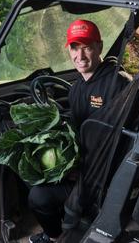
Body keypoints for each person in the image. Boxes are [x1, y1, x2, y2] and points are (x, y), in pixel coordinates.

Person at [28, 19, 130, 243]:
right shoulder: (76, 90)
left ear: (100, 47)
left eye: (86, 47)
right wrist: (68, 164)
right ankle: (57, 234)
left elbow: (119, 143)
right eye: (74, 48)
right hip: (83, 168)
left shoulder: (118, 84)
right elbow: (76, 136)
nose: (80, 56)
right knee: (32, 175)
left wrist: (82, 169)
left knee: (38, 197)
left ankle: (58, 237)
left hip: (104, 177)